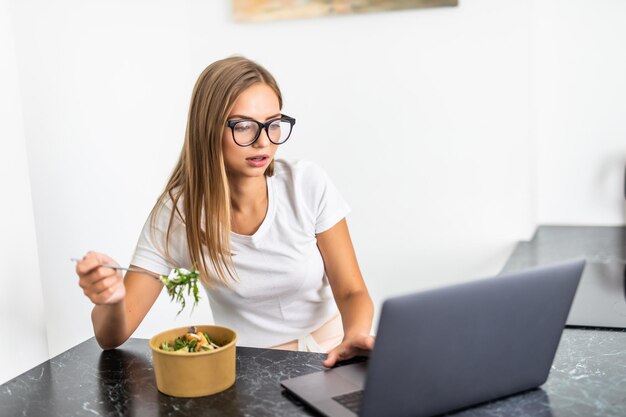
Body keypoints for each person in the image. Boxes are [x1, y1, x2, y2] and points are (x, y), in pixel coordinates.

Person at [75, 56, 374, 368]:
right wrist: (111, 299)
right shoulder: (179, 214)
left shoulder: (306, 184)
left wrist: (355, 336)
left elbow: (352, 291)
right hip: (251, 370)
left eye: (273, 124)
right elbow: (112, 336)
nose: (263, 142)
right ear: (208, 129)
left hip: (333, 356)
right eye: (243, 126)